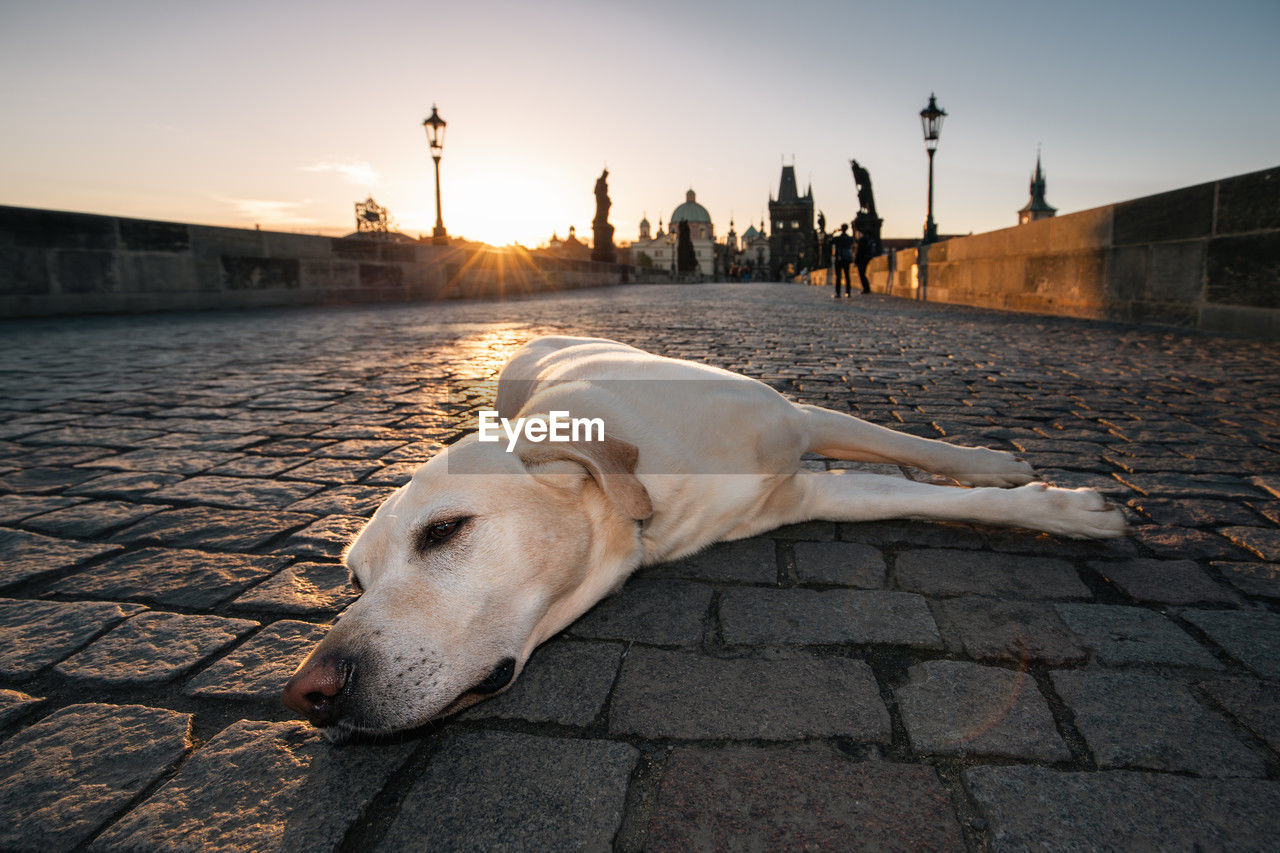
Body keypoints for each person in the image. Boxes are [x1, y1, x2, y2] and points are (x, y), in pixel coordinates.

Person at [831, 224, 854, 297]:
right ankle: (848, 292)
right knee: (847, 276)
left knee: (838, 276)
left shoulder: (837, 238)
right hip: (847, 258)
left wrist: (834, 232)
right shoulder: (849, 238)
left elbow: (830, 241)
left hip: (839, 257)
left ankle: (838, 293)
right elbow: (853, 242)